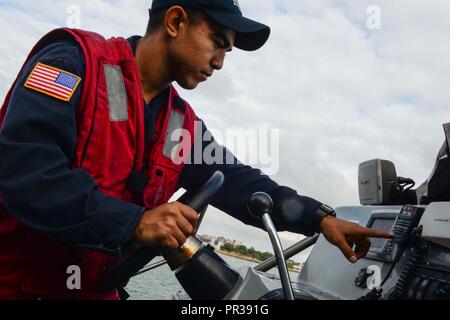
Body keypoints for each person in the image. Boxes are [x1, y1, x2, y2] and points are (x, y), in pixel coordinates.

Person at [0, 0, 391, 300]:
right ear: (175, 22)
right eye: (217, 43)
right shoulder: (74, 61)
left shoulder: (179, 123)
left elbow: (238, 181)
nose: (220, 63)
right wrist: (135, 221)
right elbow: (23, 174)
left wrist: (319, 219)